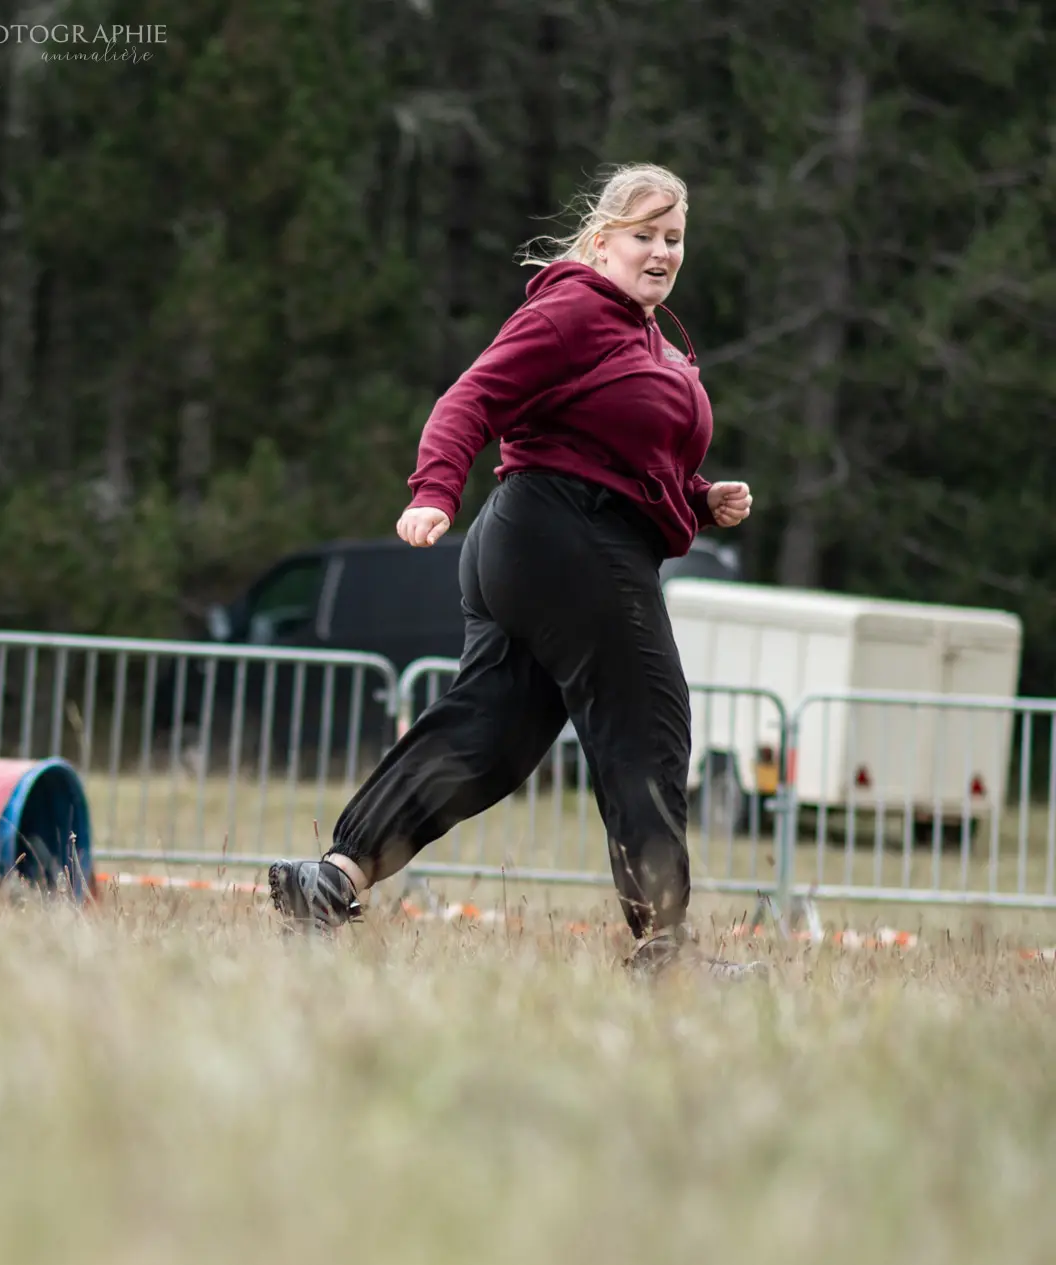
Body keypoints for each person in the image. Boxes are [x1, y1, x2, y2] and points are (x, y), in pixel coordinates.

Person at [267, 163, 766, 980]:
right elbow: (471, 399)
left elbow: (623, 448)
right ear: (603, 242)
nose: (661, 252)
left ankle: (333, 878)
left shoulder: (645, 333)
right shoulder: (575, 307)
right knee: (647, 723)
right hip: (568, 536)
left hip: (541, 541)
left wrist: (701, 498)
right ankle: (664, 951)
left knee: (489, 732)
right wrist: (434, 490)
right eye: (644, 235)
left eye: (673, 238)